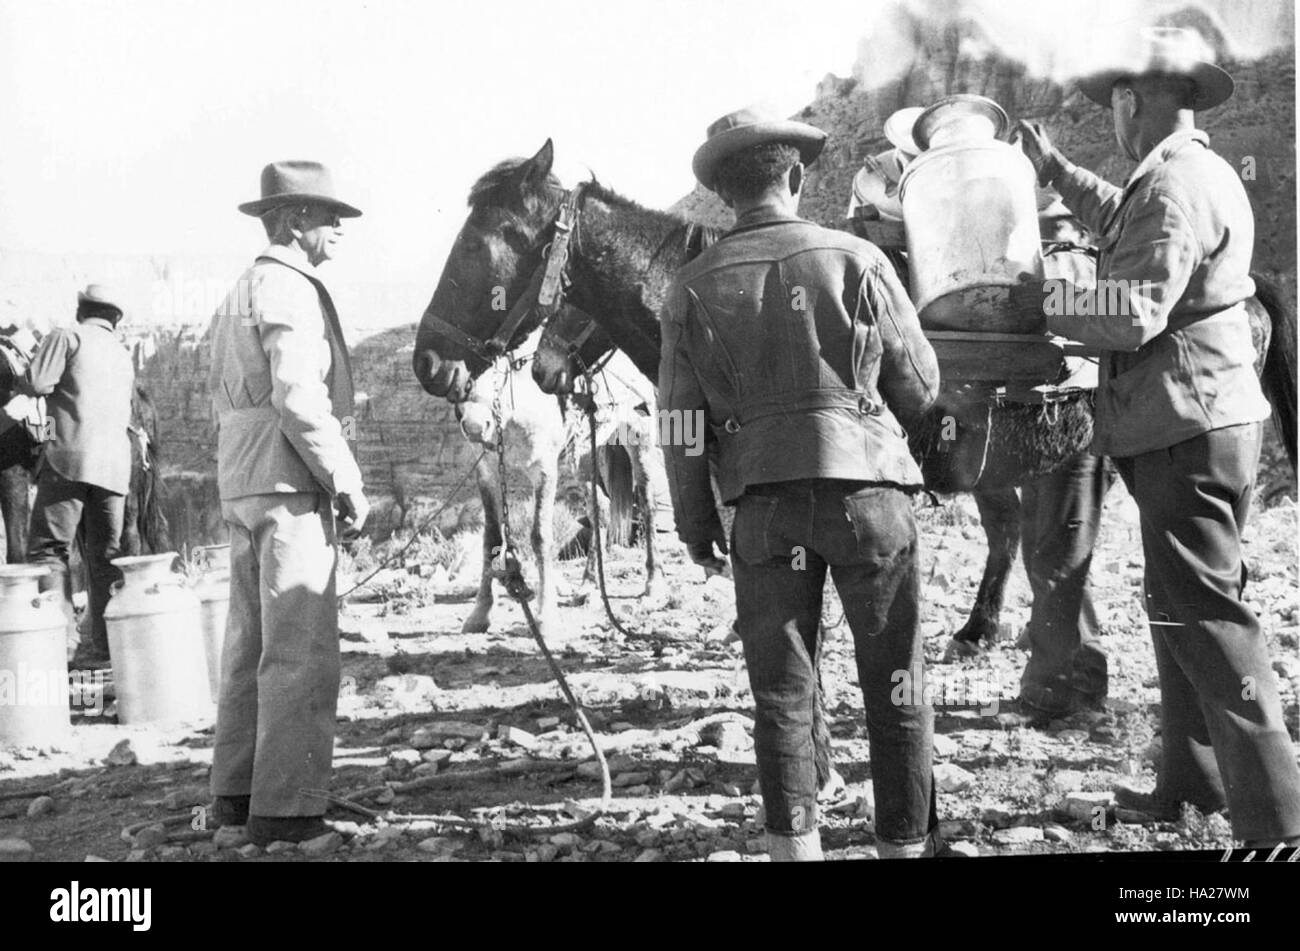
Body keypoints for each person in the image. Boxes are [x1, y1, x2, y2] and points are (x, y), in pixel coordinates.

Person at [1015, 27, 1300, 846]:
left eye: (1112, 105)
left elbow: (1133, 309)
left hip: (1188, 424)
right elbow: (1127, 224)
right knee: (1176, 604)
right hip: (1196, 419)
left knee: (1209, 614)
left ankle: (1277, 819)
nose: (1111, 118)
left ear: (1130, 103)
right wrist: (1059, 173)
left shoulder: (1175, 187)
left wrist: (1044, 305)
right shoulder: (1183, 174)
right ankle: (1194, 784)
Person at [661, 107, 942, 860]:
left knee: (783, 693)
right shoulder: (857, 257)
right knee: (897, 684)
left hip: (763, 508)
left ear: (724, 195)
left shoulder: (689, 288)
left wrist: (695, 524)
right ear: (796, 176)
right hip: (869, 497)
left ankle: (796, 849)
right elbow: (919, 381)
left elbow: (682, 427)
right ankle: (904, 848)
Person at [208, 160, 370, 846]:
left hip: (245, 482)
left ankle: (236, 802)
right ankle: (289, 814)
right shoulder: (289, 286)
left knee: (249, 646)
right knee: (300, 649)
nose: (338, 227)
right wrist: (347, 479)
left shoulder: (242, 287)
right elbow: (299, 398)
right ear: (295, 220)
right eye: (328, 214)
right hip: (288, 481)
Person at [1015, 196, 1117, 719]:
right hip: (1051, 429)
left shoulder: (1068, 264)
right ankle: (1047, 683)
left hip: (1075, 425)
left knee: (1059, 560)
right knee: (1046, 555)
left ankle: (1080, 697)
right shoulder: (1092, 261)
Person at [23, 284, 135, 669]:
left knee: (48, 551)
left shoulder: (66, 337)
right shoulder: (123, 353)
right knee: (106, 557)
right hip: (115, 468)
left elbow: (37, 383)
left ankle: (61, 646)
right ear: (115, 319)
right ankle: (105, 649)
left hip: (68, 459)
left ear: (80, 309)